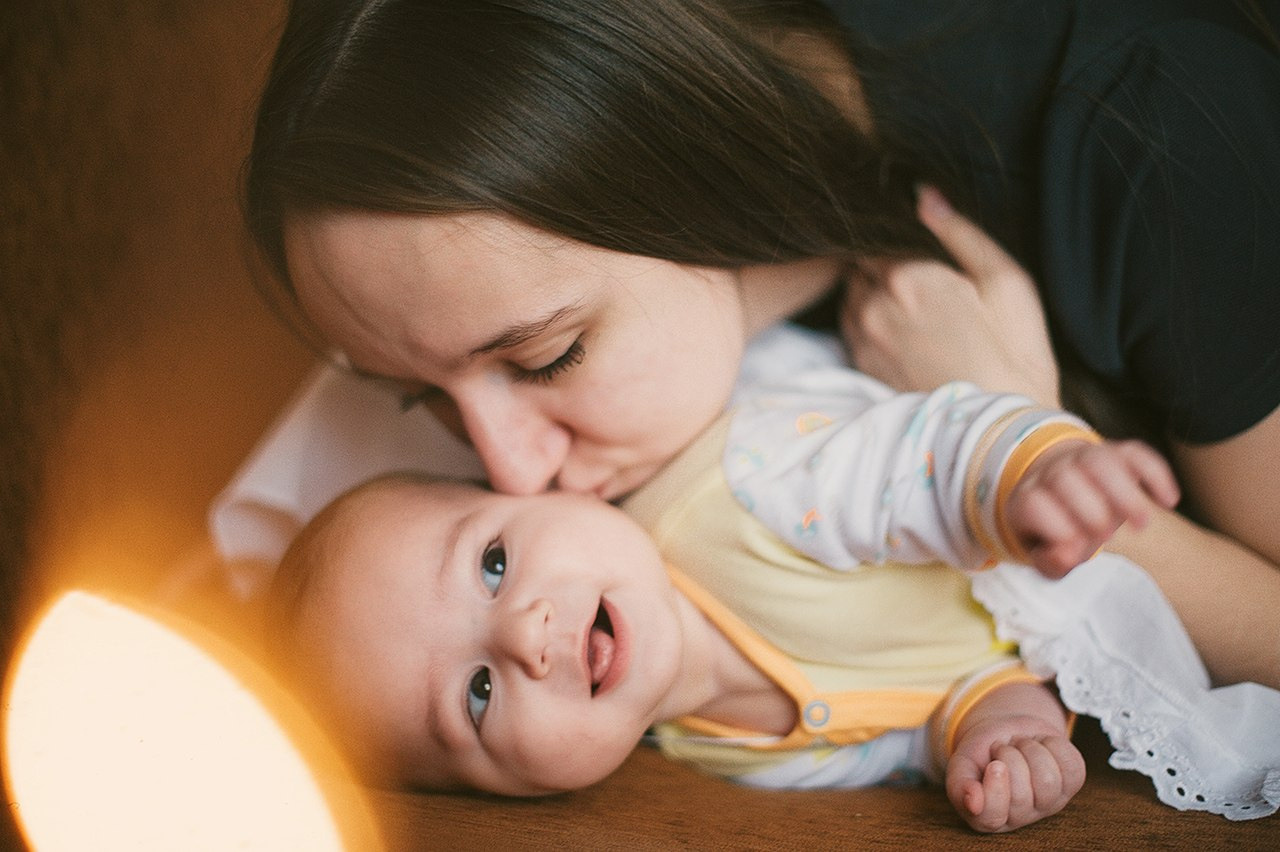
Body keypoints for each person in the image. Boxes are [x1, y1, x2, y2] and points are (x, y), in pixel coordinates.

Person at [241, 0, 1280, 686]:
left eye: (548, 358)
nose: (511, 469)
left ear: (684, 160)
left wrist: (1006, 419)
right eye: (418, 395)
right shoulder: (519, 283)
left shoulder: (1151, 132)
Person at [264, 352, 1278, 831]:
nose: (526, 635)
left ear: (517, 485)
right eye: (476, 697)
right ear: (503, 795)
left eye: (491, 562)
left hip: (1069, 471)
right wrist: (993, 730)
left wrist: (1027, 476)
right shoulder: (721, 752)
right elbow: (917, 721)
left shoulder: (739, 496)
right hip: (1065, 633)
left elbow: (922, 453)